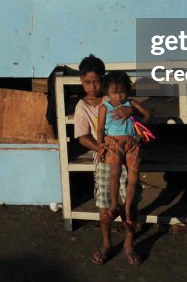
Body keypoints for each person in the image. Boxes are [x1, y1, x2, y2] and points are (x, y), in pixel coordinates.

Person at [72, 56, 147, 265]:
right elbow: (82, 136)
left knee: (130, 204)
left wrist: (131, 110)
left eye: (96, 81)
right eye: (87, 82)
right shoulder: (82, 107)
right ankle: (107, 243)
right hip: (105, 159)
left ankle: (129, 244)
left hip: (128, 156)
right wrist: (101, 147)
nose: (92, 86)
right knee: (105, 205)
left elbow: (141, 117)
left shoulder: (116, 97)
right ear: (81, 81)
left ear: (104, 80)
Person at [96, 69, 149, 263]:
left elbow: (148, 116)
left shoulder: (131, 103)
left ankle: (126, 210)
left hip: (133, 144)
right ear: (107, 93)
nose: (118, 96)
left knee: (133, 178)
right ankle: (113, 203)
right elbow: (100, 128)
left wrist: (134, 111)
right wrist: (101, 144)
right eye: (113, 92)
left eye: (122, 92)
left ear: (128, 90)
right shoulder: (105, 107)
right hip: (114, 143)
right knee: (114, 173)